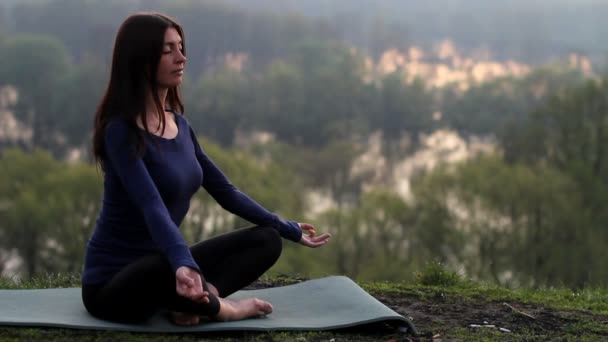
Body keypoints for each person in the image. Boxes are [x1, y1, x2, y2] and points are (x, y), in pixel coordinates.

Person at [82, 12, 331, 326]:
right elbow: (152, 206)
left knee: (266, 240)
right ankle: (224, 309)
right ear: (141, 60)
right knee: (162, 266)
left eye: (181, 47)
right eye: (168, 50)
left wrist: (287, 227)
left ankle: (198, 301)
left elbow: (226, 193)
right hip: (113, 285)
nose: (182, 57)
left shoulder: (180, 126)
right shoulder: (120, 131)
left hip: (168, 264)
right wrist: (183, 263)